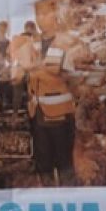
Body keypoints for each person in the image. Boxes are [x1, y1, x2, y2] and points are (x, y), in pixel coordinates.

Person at [28, 46, 77, 186]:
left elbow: (30, 90)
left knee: (44, 158)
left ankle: (47, 191)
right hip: (64, 118)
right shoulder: (67, 75)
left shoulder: (35, 74)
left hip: (42, 118)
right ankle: (68, 191)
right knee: (65, 158)